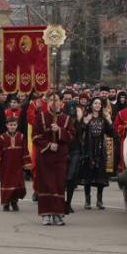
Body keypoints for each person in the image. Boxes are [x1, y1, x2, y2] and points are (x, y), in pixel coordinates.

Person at [32, 92, 75, 226]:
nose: (54, 102)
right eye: (51, 100)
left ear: (61, 103)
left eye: (56, 100)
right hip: (45, 156)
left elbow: (72, 136)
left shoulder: (67, 118)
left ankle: (57, 214)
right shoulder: (41, 117)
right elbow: (35, 137)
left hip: (60, 157)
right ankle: (46, 214)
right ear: (48, 102)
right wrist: (49, 145)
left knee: (58, 185)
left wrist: (60, 131)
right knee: (46, 184)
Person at [79, 97, 115, 210]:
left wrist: (109, 122)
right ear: (91, 105)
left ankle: (99, 200)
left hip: (100, 149)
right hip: (88, 149)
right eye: (95, 103)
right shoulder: (86, 117)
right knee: (88, 176)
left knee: (101, 176)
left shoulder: (104, 118)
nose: (98, 105)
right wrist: (84, 123)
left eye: (99, 103)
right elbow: (79, 132)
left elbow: (111, 133)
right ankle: (87, 200)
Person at [0, 117, 31, 211]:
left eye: (14, 125)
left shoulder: (21, 137)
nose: (12, 127)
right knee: (6, 183)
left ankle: (14, 202)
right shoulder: (2, 137)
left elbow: (25, 151)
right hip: (6, 166)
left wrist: (27, 163)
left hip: (17, 165)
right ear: (7, 126)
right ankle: (6, 203)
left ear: (17, 126)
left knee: (17, 184)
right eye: (10, 125)